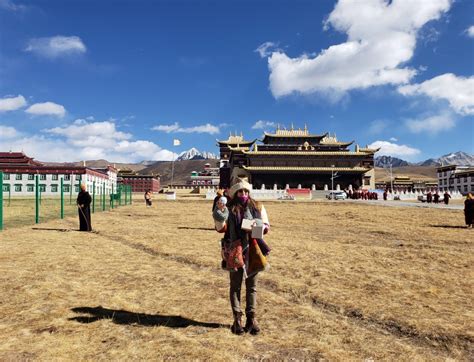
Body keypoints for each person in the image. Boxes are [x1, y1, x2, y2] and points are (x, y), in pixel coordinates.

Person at [213, 178, 271, 336]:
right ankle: (237, 319)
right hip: (234, 249)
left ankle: (251, 319)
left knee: (252, 287)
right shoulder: (229, 208)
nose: (243, 194)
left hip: (253, 249)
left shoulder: (258, 206)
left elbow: (266, 224)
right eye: (240, 191)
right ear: (235, 192)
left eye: (246, 191)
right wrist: (219, 213)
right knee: (235, 286)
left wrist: (260, 227)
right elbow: (221, 228)